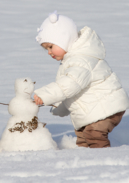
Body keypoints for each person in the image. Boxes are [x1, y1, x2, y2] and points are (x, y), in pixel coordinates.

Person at [34, 11, 129, 148]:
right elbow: (71, 92)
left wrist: (45, 95)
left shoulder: (81, 60)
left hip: (106, 107)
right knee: (82, 136)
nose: (49, 52)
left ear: (64, 39)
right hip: (93, 109)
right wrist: (59, 108)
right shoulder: (71, 61)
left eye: (51, 46)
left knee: (93, 134)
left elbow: (70, 84)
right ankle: (86, 162)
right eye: (46, 49)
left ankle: (104, 160)